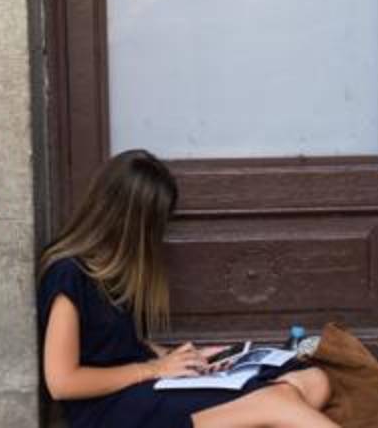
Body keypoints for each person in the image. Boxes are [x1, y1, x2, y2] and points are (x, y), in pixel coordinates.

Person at [37, 149, 340, 428]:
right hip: (110, 410)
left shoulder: (117, 271)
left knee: (312, 381)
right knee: (277, 401)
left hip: (144, 387)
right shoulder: (68, 274)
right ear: (134, 223)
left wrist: (186, 358)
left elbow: (116, 345)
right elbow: (62, 382)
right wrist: (154, 369)